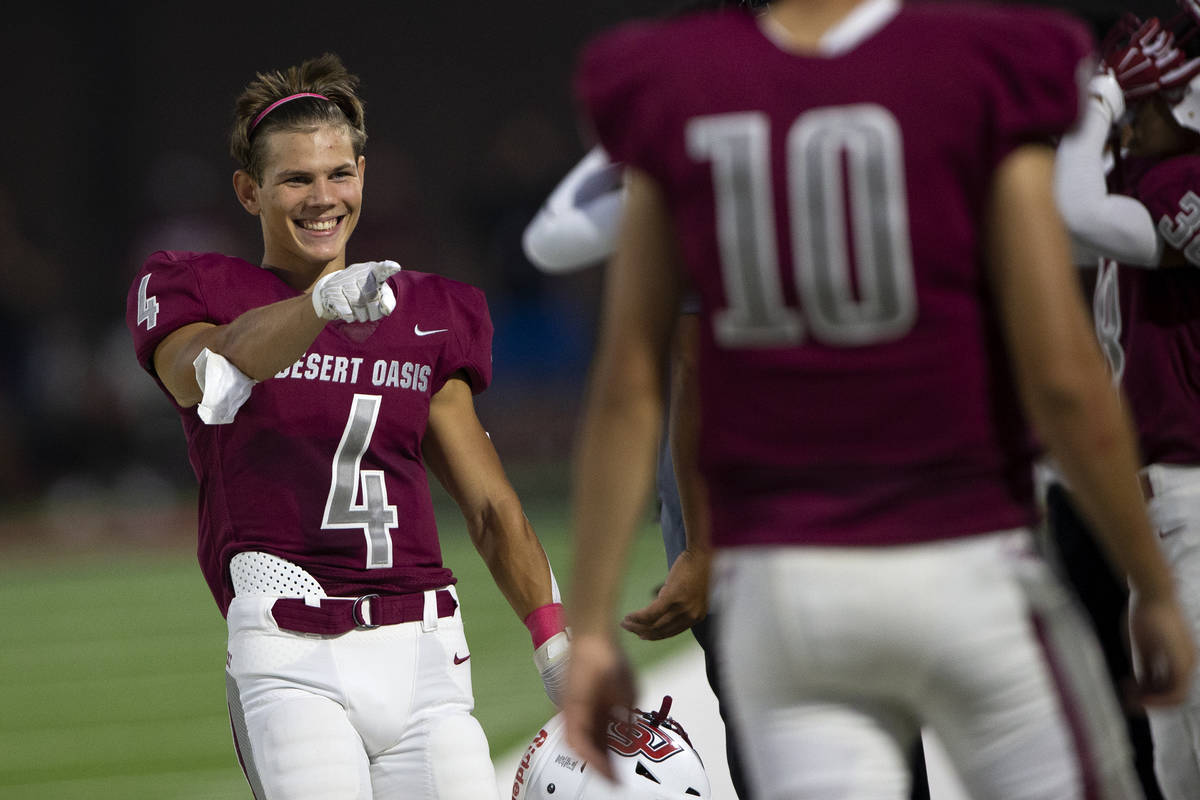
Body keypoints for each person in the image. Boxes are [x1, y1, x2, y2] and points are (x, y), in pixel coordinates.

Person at [559, 1, 1198, 798]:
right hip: (964, 559)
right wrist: (1154, 582)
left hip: (785, 588)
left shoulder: (675, 77)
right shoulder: (982, 57)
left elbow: (632, 383)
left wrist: (587, 630)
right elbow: (1062, 372)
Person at [124, 53, 569, 800]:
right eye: (296, 178)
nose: (322, 196)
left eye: (338, 173)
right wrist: (319, 306)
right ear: (249, 190)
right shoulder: (201, 290)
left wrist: (555, 641)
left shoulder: (427, 312)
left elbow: (491, 507)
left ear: (362, 173)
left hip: (428, 648)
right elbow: (206, 373)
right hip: (291, 647)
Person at [1053, 9, 1200, 797]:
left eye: (1153, 106)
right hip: (1163, 510)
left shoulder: (1188, 182)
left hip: (1196, 498)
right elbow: (1059, 219)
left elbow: (1076, 215)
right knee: (1178, 763)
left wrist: (1101, 100)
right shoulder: (1153, 182)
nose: (1135, 123)